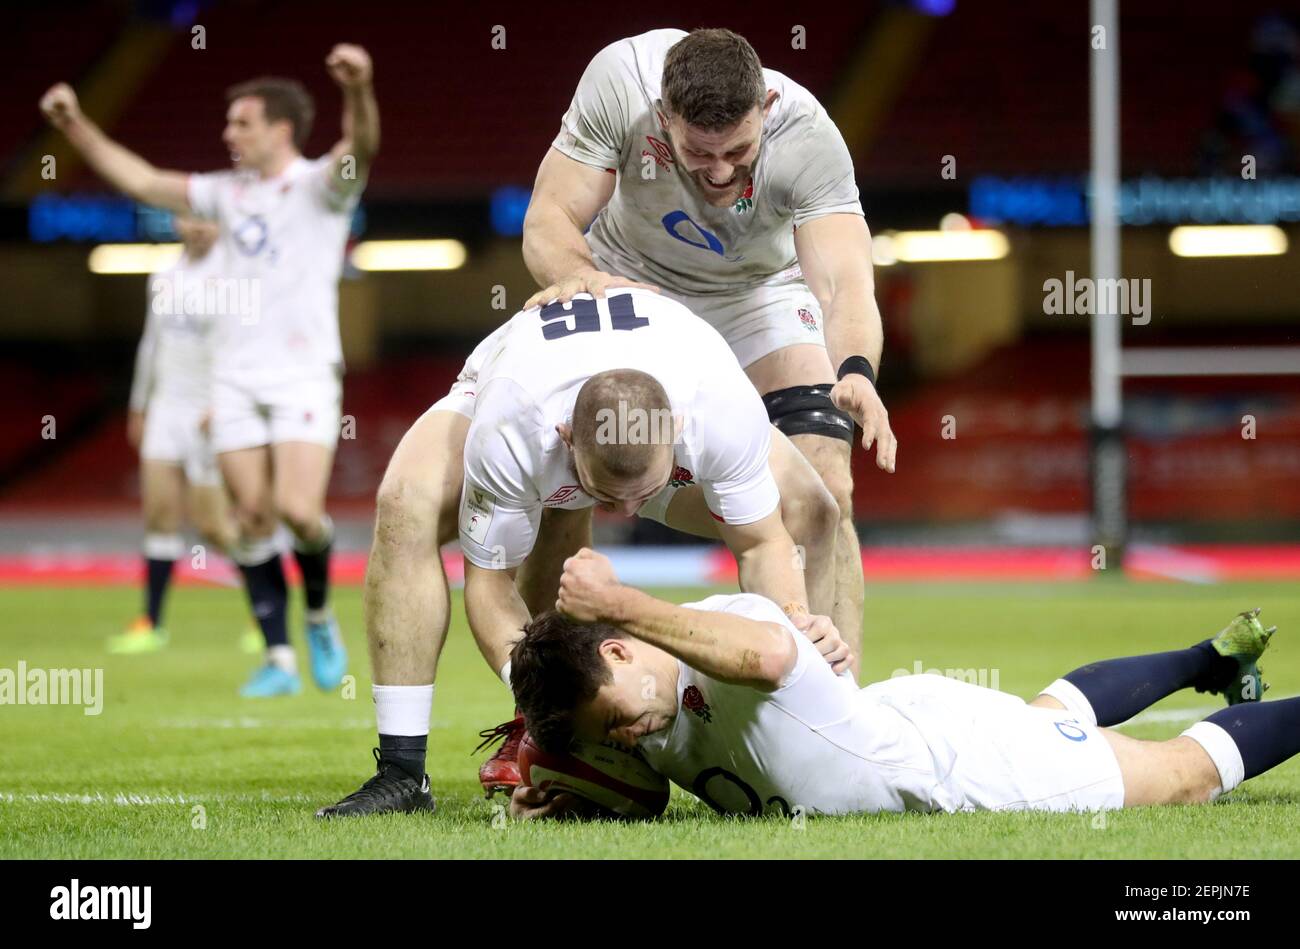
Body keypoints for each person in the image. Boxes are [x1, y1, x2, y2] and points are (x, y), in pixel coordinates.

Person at [316, 287, 848, 817]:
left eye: (642, 494)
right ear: (566, 438)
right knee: (405, 502)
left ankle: (824, 717)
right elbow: (489, 579)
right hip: (513, 377)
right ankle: (402, 772)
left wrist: (795, 626)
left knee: (811, 510)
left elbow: (761, 544)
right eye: (607, 494)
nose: (624, 510)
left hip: (657, 397)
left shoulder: (719, 407)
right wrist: (548, 703)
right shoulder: (514, 424)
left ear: (679, 432)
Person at [523, 28, 898, 676]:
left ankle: (836, 705)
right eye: (700, 152)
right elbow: (547, 220)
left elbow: (844, 282)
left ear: (768, 108)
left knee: (827, 483)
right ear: (662, 117)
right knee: (572, 484)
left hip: (760, 292)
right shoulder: (619, 80)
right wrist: (582, 279)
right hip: (631, 279)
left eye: (740, 150)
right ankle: (552, 703)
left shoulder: (808, 135)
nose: (722, 172)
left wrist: (857, 371)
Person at [41, 44, 379, 696]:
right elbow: (142, 181)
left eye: (242, 122)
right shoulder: (222, 195)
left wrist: (359, 87)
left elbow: (360, 146)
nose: (228, 133)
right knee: (250, 517)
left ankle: (316, 615)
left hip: (303, 371)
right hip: (233, 377)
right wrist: (72, 124)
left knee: (298, 512)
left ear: (280, 129)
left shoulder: (317, 187)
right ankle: (279, 656)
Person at [508, 549, 1290, 820]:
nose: (621, 737)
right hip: (897, 720)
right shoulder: (636, 709)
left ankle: (1218, 671)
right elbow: (633, 790)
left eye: (610, 717)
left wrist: (620, 598)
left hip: (951, 768)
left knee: (1182, 780)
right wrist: (560, 787)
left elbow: (768, 659)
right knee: (1048, 714)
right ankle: (1208, 657)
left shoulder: (724, 624)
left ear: (620, 649)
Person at [109, 215, 239, 654]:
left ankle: (267, 612)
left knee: (213, 526)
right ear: (177, 223)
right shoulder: (164, 276)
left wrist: (223, 403)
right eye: (191, 218)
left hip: (208, 413)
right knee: (159, 517)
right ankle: (152, 622)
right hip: (166, 408)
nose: (199, 227)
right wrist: (139, 404)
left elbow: (241, 347)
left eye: (208, 219)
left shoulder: (233, 277)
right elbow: (151, 343)